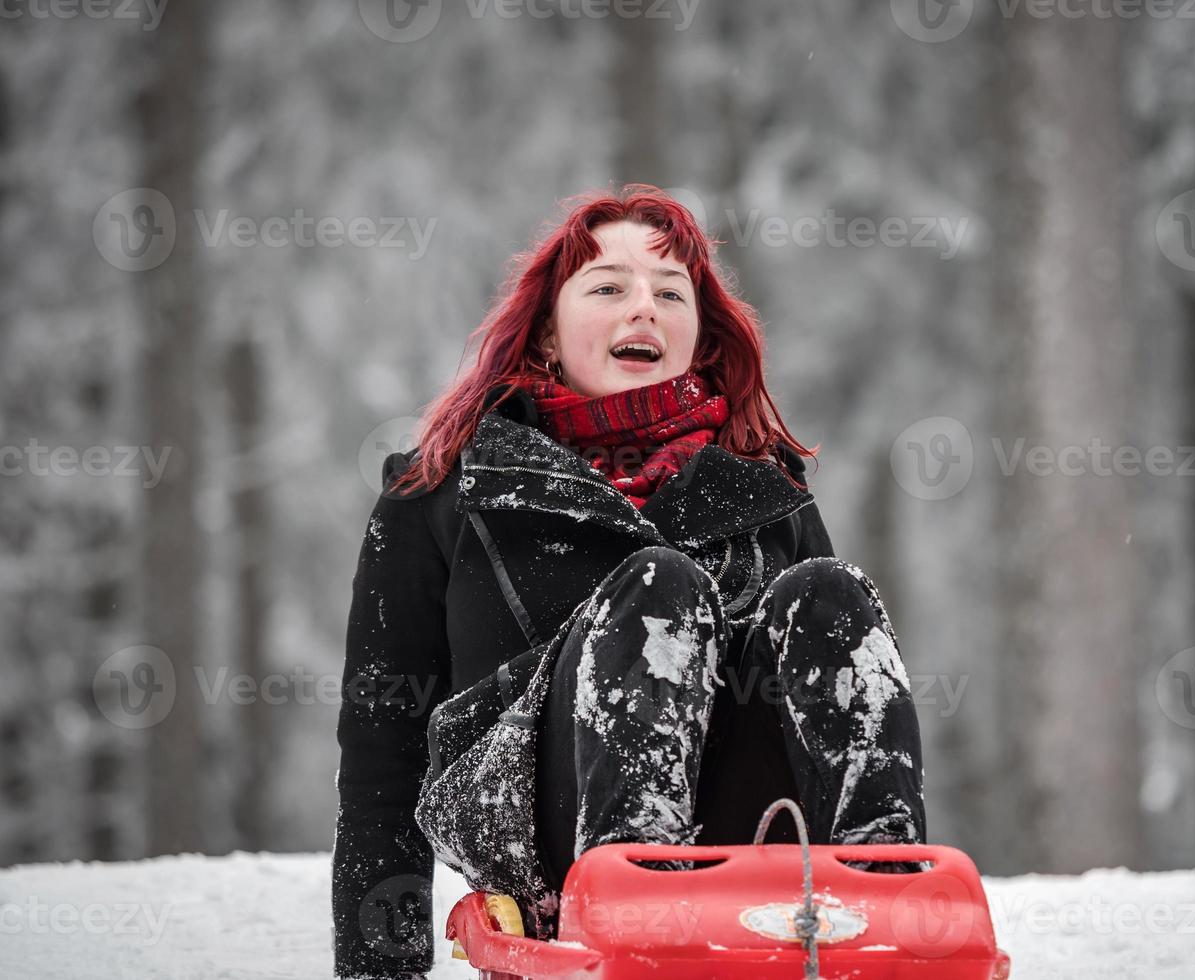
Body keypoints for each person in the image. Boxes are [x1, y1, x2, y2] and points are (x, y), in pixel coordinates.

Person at [331, 185, 926, 979]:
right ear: (546, 332)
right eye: (608, 287)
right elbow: (382, 761)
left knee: (829, 593)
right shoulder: (443, 489)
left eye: (669, 293)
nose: (642, 308)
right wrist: (381, 970)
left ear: (698, 337)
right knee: (657, 588)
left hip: (750, 831)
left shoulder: (767, 493)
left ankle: (889, 899)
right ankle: (634, 890)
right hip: (542, 832)